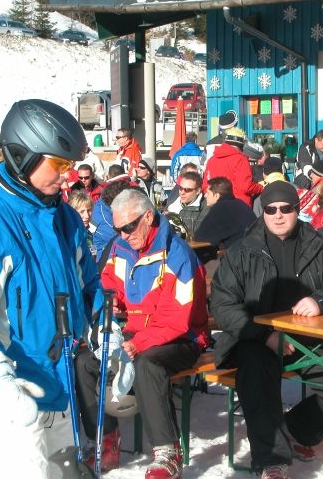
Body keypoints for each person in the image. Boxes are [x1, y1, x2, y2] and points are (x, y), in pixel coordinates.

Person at [0, 99, 104, 477]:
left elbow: (86, 284)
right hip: (4, 394)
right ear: (23, 156)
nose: (67, 176)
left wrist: (106, 334)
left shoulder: (62, 216)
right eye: (59, 164)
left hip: (56, 378)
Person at [210, 181, 323, 479]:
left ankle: (292, 430)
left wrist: (321, 300)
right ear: (262, 212)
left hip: (307, 338)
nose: (278, 215)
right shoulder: (242, 250)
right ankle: (272, 462)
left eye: (286, 208)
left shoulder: (319, 245)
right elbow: (223, 306)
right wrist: (265, 335)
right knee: (256, 378)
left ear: (297, 209)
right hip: (255, 338)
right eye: (271, 209)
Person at [77, 188, 209, 478]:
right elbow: (108, 286)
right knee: (84, 361)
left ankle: (167, 453)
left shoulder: (178, 256)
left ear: (148, 216)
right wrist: (107, 311)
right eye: (117, 229)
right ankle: (106, 439)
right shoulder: (120, 248)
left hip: (183, 337)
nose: (123, 234)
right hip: (137, 332)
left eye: (128, 227)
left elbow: (178, 318)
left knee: (147, 363)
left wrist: (137, 344)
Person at [202, 127, 263, 207]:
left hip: (215, 206)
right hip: (238, 207)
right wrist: (261, 188)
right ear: (241, 145)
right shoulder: (240, 159)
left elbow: (205, 186)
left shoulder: (212, 160)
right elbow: (245, 186)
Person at [194, 176, 257, 248]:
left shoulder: (221, 207)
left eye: (208, 193)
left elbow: (200, 236)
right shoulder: (240, 203)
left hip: (241, 254)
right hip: (254, 249)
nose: (205, 196)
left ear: (216, 196)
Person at [167, 170, 207, 236]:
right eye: (180, 188)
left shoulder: (206, 207)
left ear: (198, 191)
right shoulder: (173, 205)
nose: (182, 193)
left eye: (187, 189)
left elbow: (200, 232)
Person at [67, 190, 96, 257]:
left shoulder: (89, 233)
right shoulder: (67, 236)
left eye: (89, 210)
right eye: (82, 211)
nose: (87, 216)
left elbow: (93, 254)